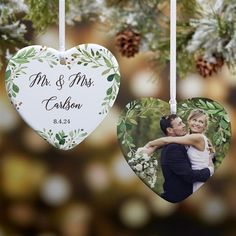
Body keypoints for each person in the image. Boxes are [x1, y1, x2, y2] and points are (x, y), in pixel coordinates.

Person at [145, 113, 214, 203]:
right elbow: (167, 141)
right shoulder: (177, 145)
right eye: (194, 120)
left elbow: (167, 140)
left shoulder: (196, 138)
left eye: (201, 122)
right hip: (190, 186)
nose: (196, 123)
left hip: (199, 181)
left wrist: (151, 145)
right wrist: (153, 147)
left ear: (205, 126)